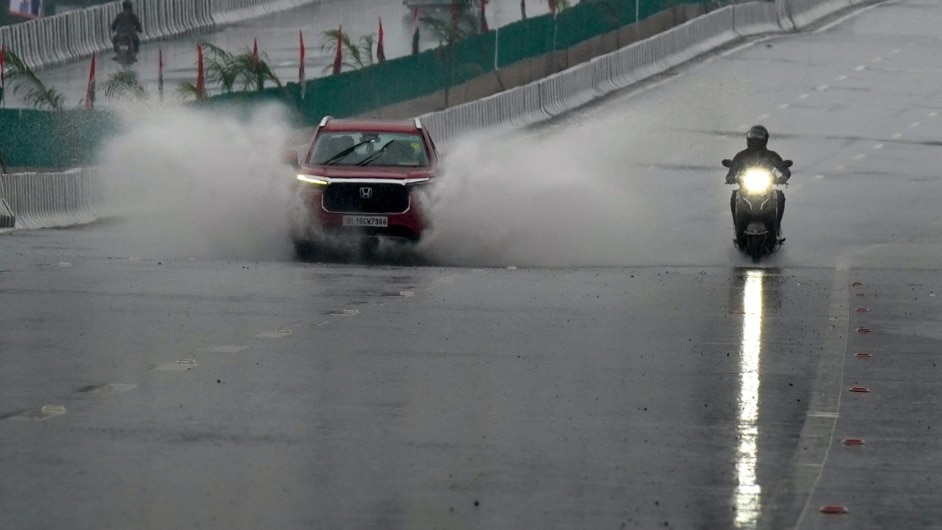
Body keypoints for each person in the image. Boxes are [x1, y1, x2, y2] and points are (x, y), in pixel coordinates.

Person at [725, 125, 791, 240]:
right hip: (746, 189)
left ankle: (776, 229)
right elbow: (732, 169)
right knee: (734, 195)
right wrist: (730, 177)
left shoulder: (771, 155)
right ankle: (737, 229)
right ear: (748, 139)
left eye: (758, 138)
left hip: (766, 189)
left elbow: (783, 168)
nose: (756, 141)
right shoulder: (741, 155)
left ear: (765, 140)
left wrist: (784, 177)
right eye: (753, 138)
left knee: (780, 196)